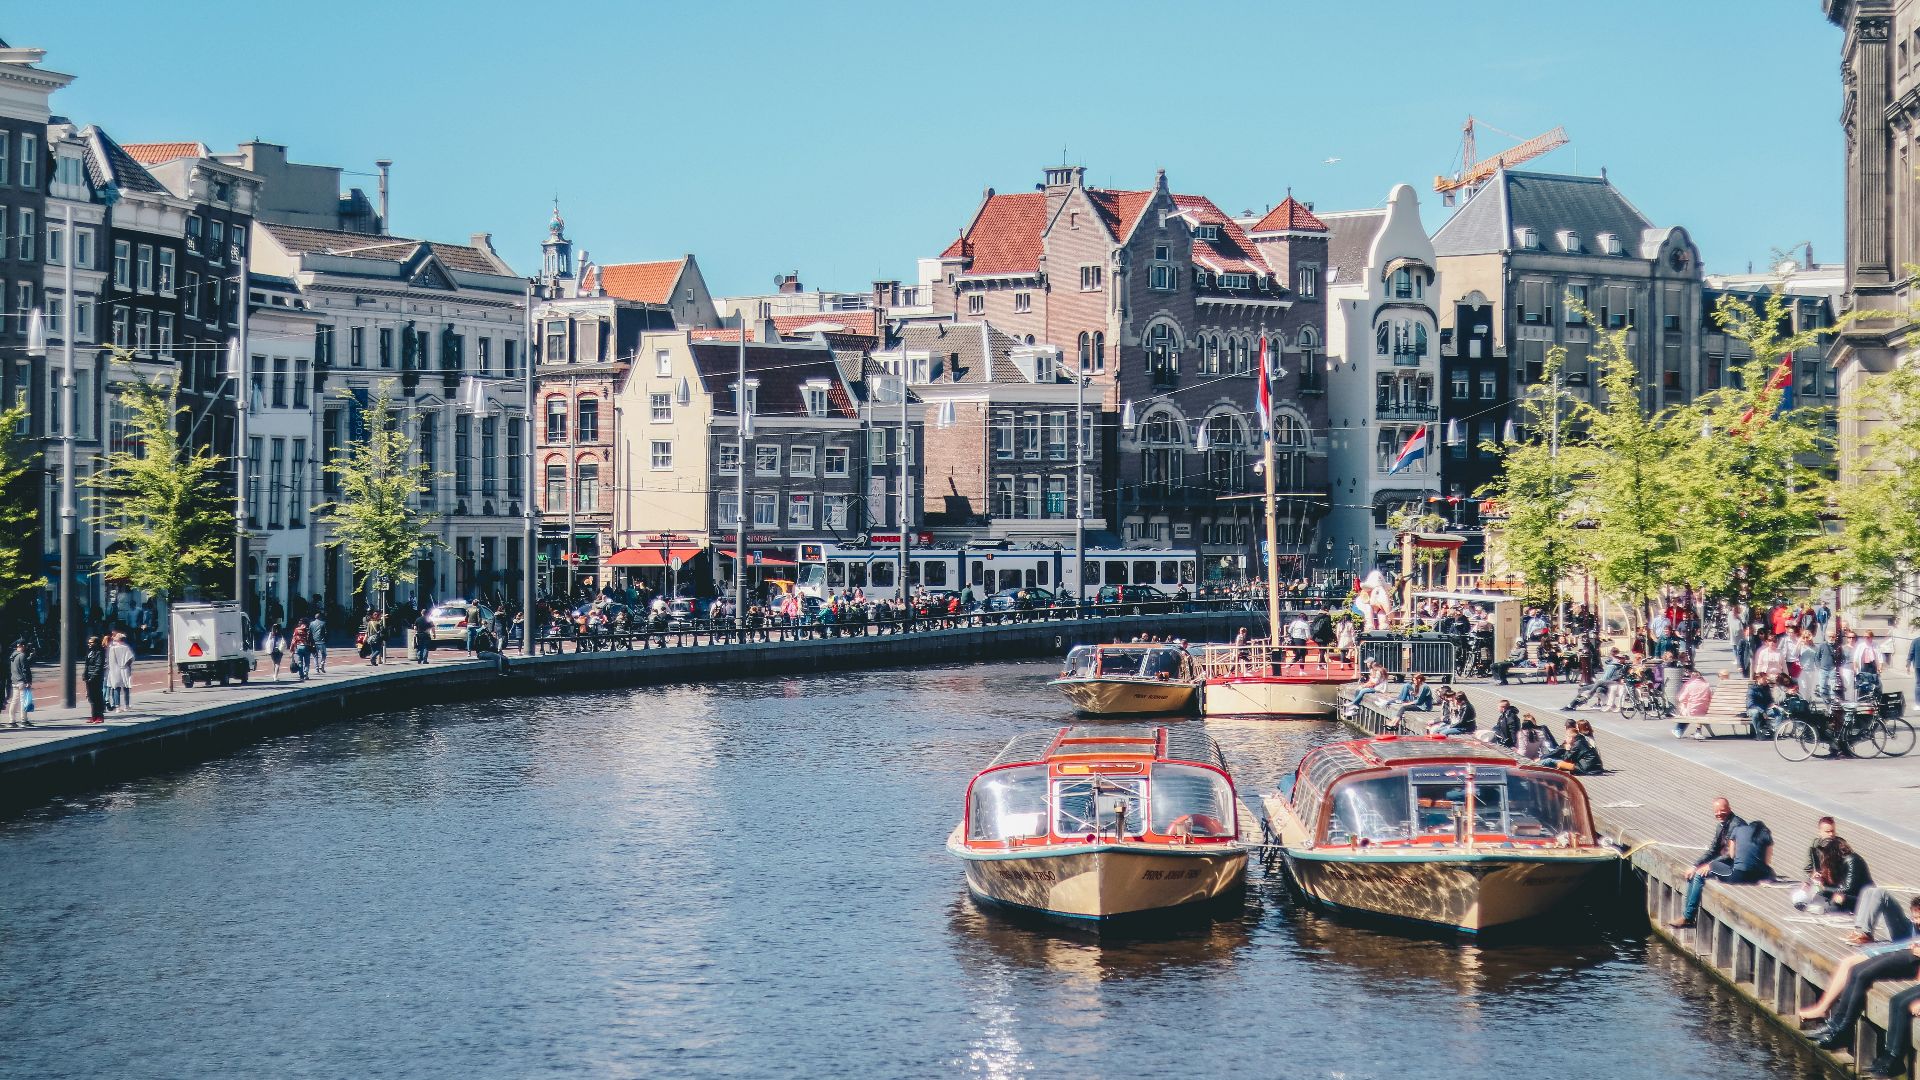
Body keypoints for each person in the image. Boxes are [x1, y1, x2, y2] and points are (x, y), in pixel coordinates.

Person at [1799, 901, 1920, 1051]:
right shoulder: (1916, 927)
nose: (1915, 921)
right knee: (1850, 965)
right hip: (1911, 946)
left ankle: (1838, 1026)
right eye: (1914, 917)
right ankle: (1835, 1024)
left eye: (1918, 917)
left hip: (1911, 954)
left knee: (1858, 969)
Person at [1668, 798, 1752, 930]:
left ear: (1729, 809)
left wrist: (1711, 865)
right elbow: (1713, 850)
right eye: (1716, 812)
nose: (1719, 814)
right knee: (1694, 872)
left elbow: (1732, 854)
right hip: (1729, 862)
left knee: (1699, 876)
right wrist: (1695, 865)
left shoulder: (1737, 826)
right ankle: (1687, 915)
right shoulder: (1722, 825)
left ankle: (1688, 917)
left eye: (1722, 811)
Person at [1795, 817, 1871, 914]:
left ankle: (1820, 907)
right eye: (1827, 831)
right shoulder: (1815, 847)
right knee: (1818, 887)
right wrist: (1811, 880)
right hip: (1838, 885)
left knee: (1836, 899)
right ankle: (1811, 903)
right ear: (1820, 832)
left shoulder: (1849, 858)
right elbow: (1809, 868)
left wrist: (1824, 886)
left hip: (1859, 895)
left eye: (1833, 831)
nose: (1831, 835)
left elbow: (1848, 888)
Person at [106, 631, 135, 713]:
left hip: (115, 669)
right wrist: (127, 666)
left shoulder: (112, 648)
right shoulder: (126, 647)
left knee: (116, 687)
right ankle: (126, 705)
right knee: (126, 687)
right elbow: (130, 659)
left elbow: (110, 661)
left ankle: (117, 707)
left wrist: (112, 669)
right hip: (124, 669)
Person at [81, 635, 107, 724]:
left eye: (91, 643)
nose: (89, 644)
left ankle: (100, 716)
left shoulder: (100, 652)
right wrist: (85, 674)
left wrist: (93, 676)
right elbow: (87, 665)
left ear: (96, 643)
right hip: (89, 677)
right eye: (89, 643)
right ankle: (94, 716)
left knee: (97, 697)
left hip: (96, 678)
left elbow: (98, 666)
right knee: (91, 698)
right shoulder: (90, 652)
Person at [4, 639, 30, 728]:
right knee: (23, 702)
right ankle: (24, 720)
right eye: (25, 646)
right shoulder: (22, 655)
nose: (26, 647)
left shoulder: (13, 656)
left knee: (14, 701)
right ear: (22, 646)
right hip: (22, 682)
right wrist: (28, 682)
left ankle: (12, 721)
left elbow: (17, 667)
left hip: (14, 681)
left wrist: (30, 658)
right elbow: (25, 670)